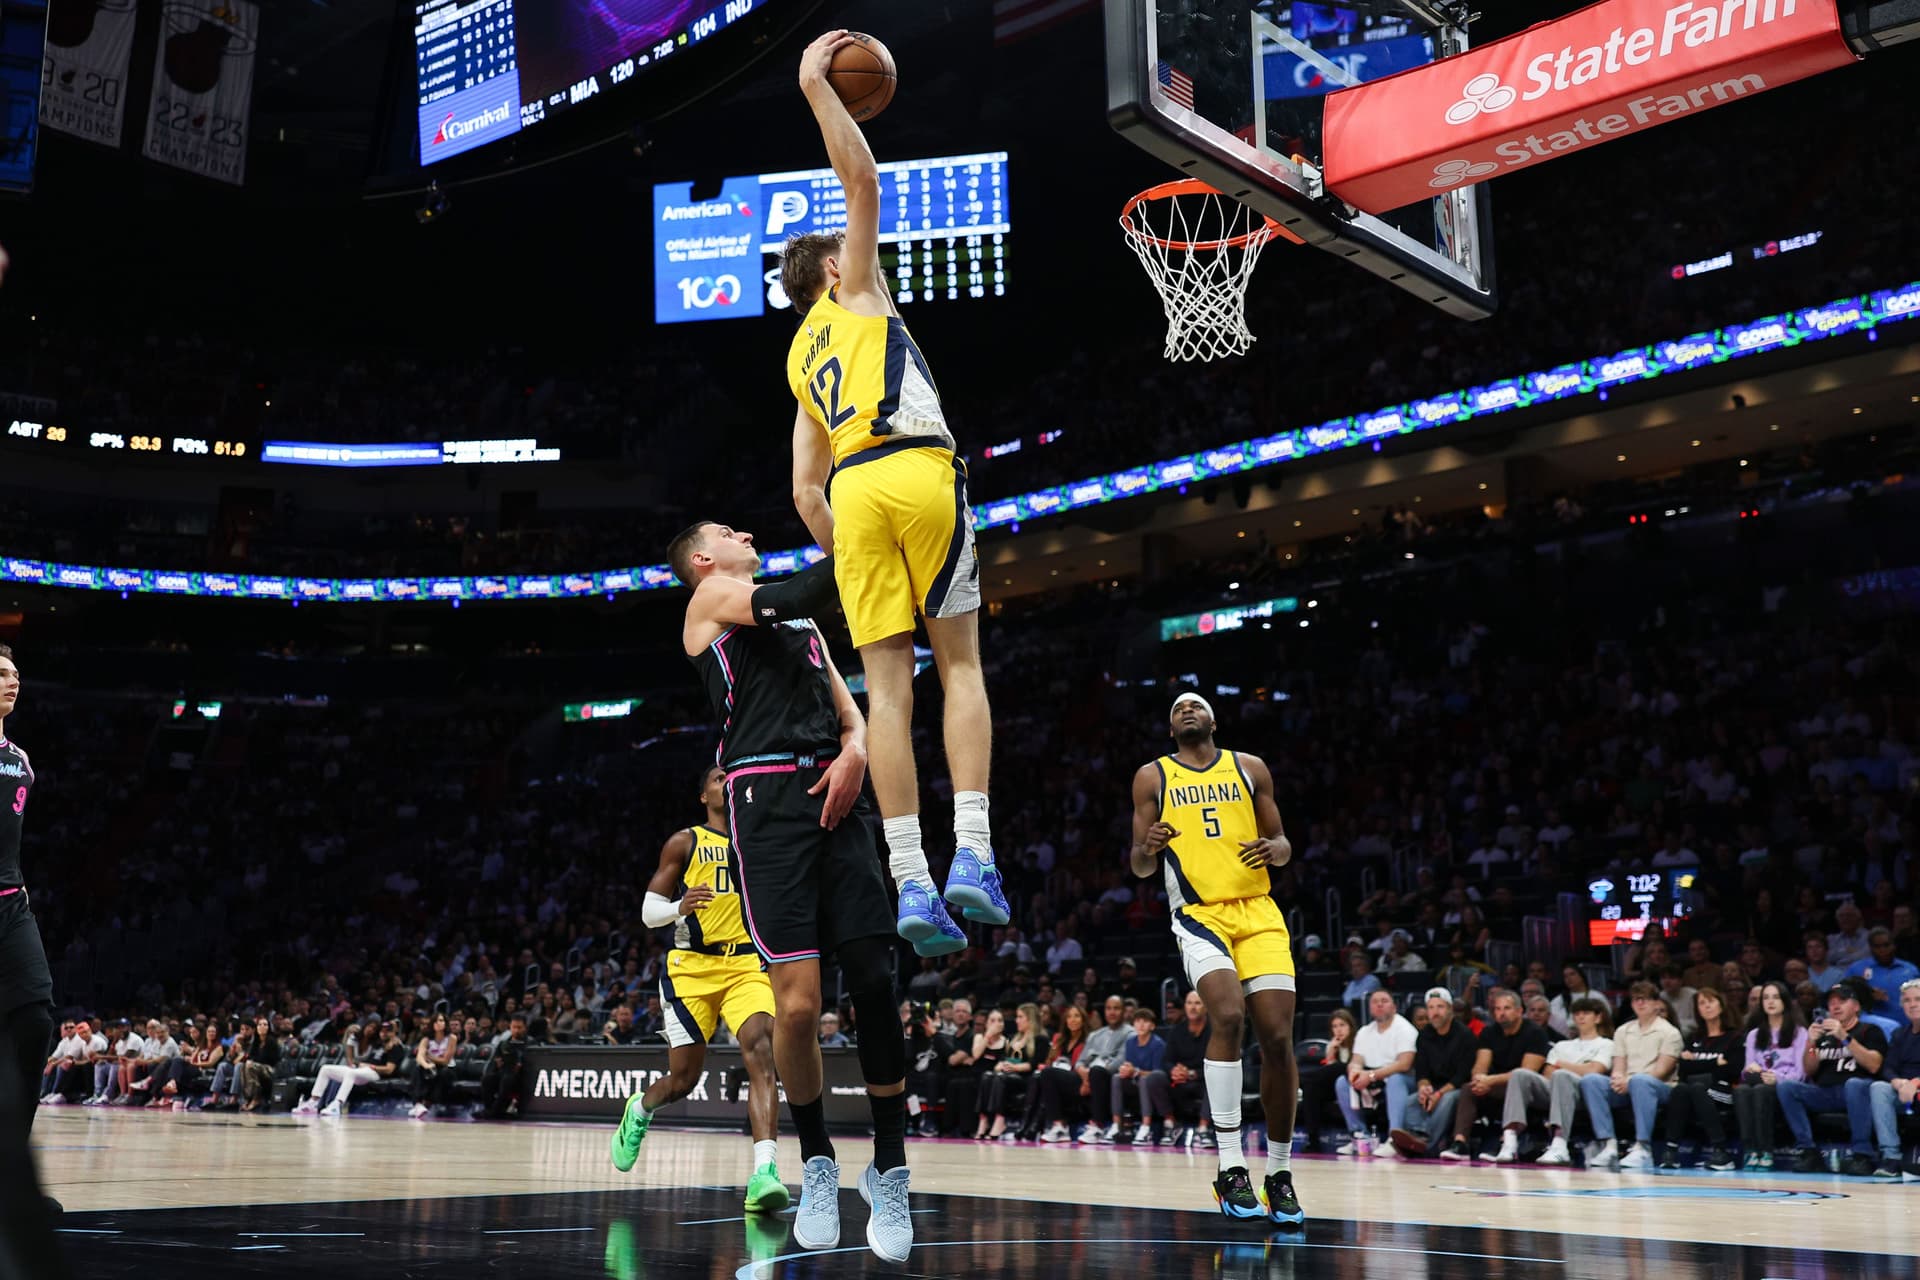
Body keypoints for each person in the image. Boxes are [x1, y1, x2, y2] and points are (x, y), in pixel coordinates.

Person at [782, 30, 1005, 966]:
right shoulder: (858, 293)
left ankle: (910, 872)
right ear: (833, 270)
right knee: (960, 666)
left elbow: (803, 491)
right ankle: (974, 854)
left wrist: (852, 551)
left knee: (886, 691)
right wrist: (818, 89)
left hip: (854, 495)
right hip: (915, 470)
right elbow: (864, 182)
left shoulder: (798, 359)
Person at [669, 518, 918, 1263]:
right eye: (727, 530)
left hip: (837, 792)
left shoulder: (802, 625)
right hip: (766, 802)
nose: (746, 531)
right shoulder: (711, 599)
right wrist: (862, 529)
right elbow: (810, 587)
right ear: (704, 557)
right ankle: (817, 1163)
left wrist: (856, 751)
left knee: (874, 978)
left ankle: (891, 1167)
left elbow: (851, 712)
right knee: (800, 1005)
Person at [1130, 692, 1303, 1225]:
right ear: (1170, 728)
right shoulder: (1152, 776)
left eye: (1195, 704)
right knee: (1228, 1015)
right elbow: (1139, 865)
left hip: (1259, 912)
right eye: (1177, 707)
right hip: (1199, 913)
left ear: (1213, 719)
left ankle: (1279, 1174)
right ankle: (1231, 1165)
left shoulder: (1250, 768)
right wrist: (1148, 847)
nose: (1186, 708)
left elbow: (1282, 844)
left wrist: (1276, 850)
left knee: (1277, 1037)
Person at [613, 763, 790, 1210]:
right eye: (717, 779)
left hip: (745, 963)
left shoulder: (757, 841)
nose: (726, 782)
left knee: (761, 1049)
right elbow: (648, 913)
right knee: (683, 1081)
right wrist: (679, 906)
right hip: (691, 968)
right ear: (704, 796)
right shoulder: (685, 841)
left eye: (731, 777)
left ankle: (764, 1174)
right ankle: (639, 1109)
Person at [0, 645, 57, 1193]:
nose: (12, 681)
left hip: (11, 904)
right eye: (0, 674)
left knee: (36, 1022)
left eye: (15, 674)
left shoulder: (20, 760)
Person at [1776, 979, 1897, 1177]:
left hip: (1859, 1092)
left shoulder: (1869, 1031)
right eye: (1831, 1003)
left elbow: (1874, 1064)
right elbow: (1809, 1069)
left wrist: (1845, 1037)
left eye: (1842, 1001)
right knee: (1787, 1087)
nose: (1835, 1006)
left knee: (1854, 1084)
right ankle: (1808, 1150)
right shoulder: (1825, 1036)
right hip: (1826, 1092)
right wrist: (1811, 1043)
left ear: (1856, 1006)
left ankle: (1862, 1154)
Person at [1497, 996, 1616, 1164]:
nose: (1581, 1017)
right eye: (1577, 1014)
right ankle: (1510, 1140)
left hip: (1583, 1094)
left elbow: (1594, 1070)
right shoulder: (1562, 1045)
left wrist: (1562, 1065)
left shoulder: (1606, 1044)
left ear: (1598, 1018)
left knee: (1562, 1075)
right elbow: (1548, 1074)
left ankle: (1559, 1144)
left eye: (1586, 1013)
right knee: (1520, 1074)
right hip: (1555, 1089)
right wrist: (1577, 1067)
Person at [1581, 981, 1682, 1169]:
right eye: (1636, 999)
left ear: (1656, 1003)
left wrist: (1630, 1081)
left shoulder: (1670, 1032)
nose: (1640, 1003)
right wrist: (1618, 1077)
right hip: (1627, 1085)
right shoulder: (1623, 1030)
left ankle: (1643, 1147)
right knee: (1591, 1080)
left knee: (1640, 1081)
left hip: (1660, 1087)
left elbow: (1661, 1071)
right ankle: (1608, 1143)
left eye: (1645, 999)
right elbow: (1618, 1064)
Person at [1447, 988, 1550, 1160]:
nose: (1502, 1013)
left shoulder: (1535, 1033)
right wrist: (1479, 1079)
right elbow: (1481, 1064)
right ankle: (1460, 1143)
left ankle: (1505, 1144)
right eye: (1498, 1009)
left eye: (1507, 1008)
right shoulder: (1489, 1032)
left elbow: (1526, 1073)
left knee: (1516, 1084)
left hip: (1527, 1092)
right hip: (1496, 1086)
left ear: (1519, 1011)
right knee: (1468, 1088)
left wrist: (1490, 1080)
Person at [1656, 988, 1743, 1169]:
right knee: (1681, 1089)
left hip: (1724, 1091)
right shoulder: (1693, 1038)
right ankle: (1671, 1151)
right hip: (1697, 1090)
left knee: (1695, 1087)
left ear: (1721, 1005)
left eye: (1711, 1001)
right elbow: (1683, 1071)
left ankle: (1721, 1152)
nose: (1707, 1006)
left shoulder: (1734, 1037)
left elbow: (1732, 1070)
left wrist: (1697, 1063)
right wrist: (1715, 1063)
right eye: (1702, 1003)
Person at [1390, 988, 1476, 1156]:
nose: (1435, 1012)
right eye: (1431, 1007)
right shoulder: (1424, 1035)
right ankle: (1416, 1136)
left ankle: (1428, 1142)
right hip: (1434, 1086)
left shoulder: (1465, 1035)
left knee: (1446, 1100)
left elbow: (1463, 1075)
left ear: (1450, 1009)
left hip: (1457, 1088)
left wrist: (1439, 1094)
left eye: (1440, 1007)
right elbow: (1422, 1071)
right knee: (1411, 1101)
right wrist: (1424, 1087)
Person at [1734, 980, 1807, 1171]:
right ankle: (1750, 1150)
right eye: (1766, 998)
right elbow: (1745, 1070)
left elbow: (1801, 1073)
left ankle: (1766, 1151)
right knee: (1742, 1090)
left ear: (1785, 1001)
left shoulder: (1799, 1033)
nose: (1770, 1002)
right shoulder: (1754, 1035)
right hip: (1759, 1080)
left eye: (1775, 997)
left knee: (1761, 1090)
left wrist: (1778, 1078)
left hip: (1784, 1085)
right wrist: (1751, 1070)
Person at [1335, 990, 1417, 1155]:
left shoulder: (1405, 1029)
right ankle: (1359, 1135)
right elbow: (1356, 1060)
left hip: (1402, 1079)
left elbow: (1405, 1064)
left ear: (1394, 1007)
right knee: (1342, 1082)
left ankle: (1394, 1139)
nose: (1379, 1004)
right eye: (1375, 1002)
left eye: (1384, 1001)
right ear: (1370, 1008)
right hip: (1372, 1080)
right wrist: (1354, 1071)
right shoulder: (1364, 1031)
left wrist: (1371, 1075)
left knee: (1395, 1079)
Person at [1161, 989, 1217, 1147]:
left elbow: (1216, 1064)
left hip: (1203, 1081)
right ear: (1184, 1006)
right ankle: (1170, 1124)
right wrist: (1173, 1070)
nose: (1192, 1007)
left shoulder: (1214, 1032)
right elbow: (1166, 1060)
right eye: (1189, 1003)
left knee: (1216, 1080)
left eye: (1197, 1003)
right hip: (1180, 1082)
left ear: (1206, 1007)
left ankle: (1203, 1129)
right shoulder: (1176, 1031)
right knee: (1154, 1079)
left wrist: (1192, 1074)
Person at [976, 1002, 1039, 1141]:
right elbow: (1003, 1059)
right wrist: (1000, 1066)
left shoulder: (1039, 1039)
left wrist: (1015, 1067)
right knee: (987, 1076)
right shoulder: (1014, 1038)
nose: (1016, 1020)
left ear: (1030, 1019)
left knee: (1000, 1078)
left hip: (1025, 1078)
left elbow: (1034, 1064)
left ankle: (1000, 1119)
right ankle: (983, 1119)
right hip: (1008, 1073)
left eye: (1020, 1017)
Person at [1033, 1002, 1093, 1142]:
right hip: (1058, 1078)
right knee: (1038, 1076)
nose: (1072, 1020)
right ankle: (1038, 1126)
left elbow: (1088, 1065)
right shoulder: (1058, 1038)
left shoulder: (1090, 1040)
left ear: (1083, 1020)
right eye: (1069, 1017)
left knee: (1048, 1074)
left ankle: (1059, 1126)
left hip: (1078, 1079)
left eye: (1077, 1016)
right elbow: (1049, 1061)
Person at [1300, 1008, 1357, 1153]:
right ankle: (1313, 1140)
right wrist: (1331, 1052)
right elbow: (1328, 1076)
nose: (1338, 1030)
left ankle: (1301, 1081)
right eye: (1334, 1026)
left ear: (1350, 1026)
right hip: (1336, 1085)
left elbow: (1348, 1068)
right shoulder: (1332, 1046)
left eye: (1342, 1025)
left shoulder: (1358, 1043)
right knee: (1311, 1089)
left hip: (1353, 1081)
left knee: (1334, 1069)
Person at [1078, 994, 1131, 1143]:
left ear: (1123, 1011)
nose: (1112, 1012)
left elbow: (1118, 1063)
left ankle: (1097, 1126)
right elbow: (1080, 1062)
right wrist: (1084, 1076)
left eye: (1116, 1008)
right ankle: (1057, 1125)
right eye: (1108, 1008)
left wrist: (1089, 1076)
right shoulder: (1095, 1035)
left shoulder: (1130, 1034)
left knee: (1097, 1072)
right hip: (1088, 1076)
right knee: (1050, 1074)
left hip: (1108, 1078)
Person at [1844, 928, 1919, 1023]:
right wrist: (1867, 995)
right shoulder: (1856, 969)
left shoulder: (1910, 969)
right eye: (1877, 946)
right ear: (1870, 948)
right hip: (1871, 1027)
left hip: (1907, 1025)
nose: (1882, 950)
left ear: (1894, 945)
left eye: (1886, 945)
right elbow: (1844, 996)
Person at [410, 1012, 459, 1119]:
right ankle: (418, 1104)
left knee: (442, 1073)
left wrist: (429, 1057)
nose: (438, 1023)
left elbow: (445, 1061)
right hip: (431, 1067)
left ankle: (428, 1102)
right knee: (417, 1069)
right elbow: (419, 1057)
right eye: (436, 1021)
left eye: (441, 1020)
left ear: (445, 1023)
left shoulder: (452, 1038)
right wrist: (426, 1065)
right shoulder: (426, 1039)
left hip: (447, 1068)